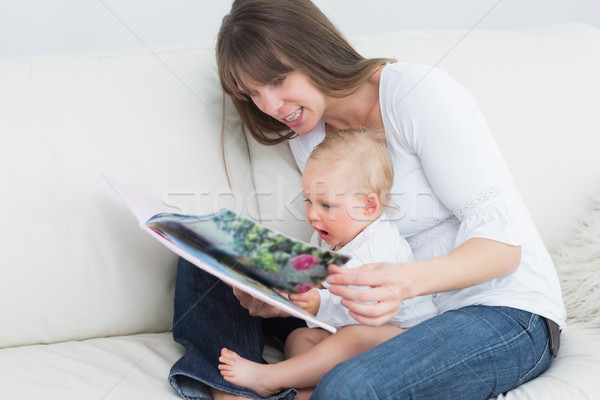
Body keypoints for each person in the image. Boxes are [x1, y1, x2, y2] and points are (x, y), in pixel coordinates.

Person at [169, 1, 567, 399]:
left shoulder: (416, 93)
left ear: (313, 50)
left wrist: (403, 284)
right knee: (202, 258)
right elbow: (343, 253)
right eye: (253, 93)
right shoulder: (309, 132)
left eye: (277, 79)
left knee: (350, 385)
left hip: (499, 312)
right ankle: (233, 393)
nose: (270, 107)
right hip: (377, 317)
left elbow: (503, 249)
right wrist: (284, 294)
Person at [217, 130, 437, 398]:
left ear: (368, 206)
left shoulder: (380, 245)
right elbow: (311, 274)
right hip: (352, 333)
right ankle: (307, 390)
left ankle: (271, 378)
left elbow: (364, 303)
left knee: (354, 337)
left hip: (407, 338)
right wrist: (278, 285)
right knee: (300, 337)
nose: (312, 214)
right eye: (308, 201)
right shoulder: (330, 236)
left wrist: (319, 302)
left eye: (326, 205)